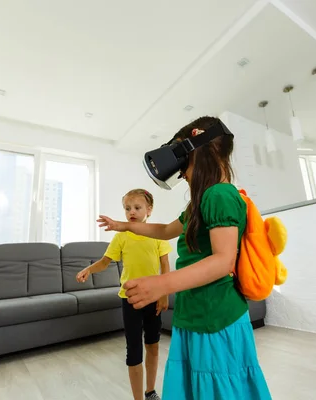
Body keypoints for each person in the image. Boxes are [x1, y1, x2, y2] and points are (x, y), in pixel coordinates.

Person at [97, 116, 272, 400]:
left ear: (203, 147)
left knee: (221, 389)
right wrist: (125, 225)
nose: (183, 175)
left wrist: (162, 284)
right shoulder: (200, 201)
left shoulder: (220, 195)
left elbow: (223, 260)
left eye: (185, 166)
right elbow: (166, 230)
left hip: (217, 316)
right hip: (194, 314)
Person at [77, 189, 172, 400]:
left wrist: (164, 293)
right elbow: (104, 262)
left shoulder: (157, 234)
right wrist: (89, 270)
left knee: (153, 346)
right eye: (128, 208)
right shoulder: (121, 237)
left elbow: (165, 265)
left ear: (149, 210)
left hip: (154, 298)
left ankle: (151, 391)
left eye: (137, 208)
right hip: (130, 299)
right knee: (134, 350)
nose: (132, 212)